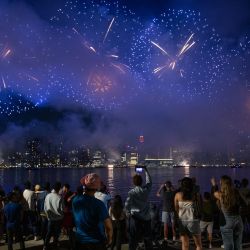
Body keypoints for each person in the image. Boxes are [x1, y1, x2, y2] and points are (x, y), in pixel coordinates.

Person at [72, 173, 112, 250]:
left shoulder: (75, 200)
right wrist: (109, 239)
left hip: (79, 241)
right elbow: (108, 227)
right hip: (96, 242)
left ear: (84, 186)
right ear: (97, 188)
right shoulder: (99, 204)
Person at [125, 166, 153, 250]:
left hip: (135, 218)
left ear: (134, 183)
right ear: (141, 182)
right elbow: (149, 182)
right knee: (147, 238)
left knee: (133, 238)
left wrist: (128, 212)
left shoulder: (131, 193)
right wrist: (146, 170)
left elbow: (127, 205)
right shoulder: (146, 190)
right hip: (146, 218)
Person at [213, 175, 244, 250]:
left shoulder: (220, 195)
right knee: (238, 246)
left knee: (228, 246)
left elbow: (214, 193)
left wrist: (214, 185)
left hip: (226, 223)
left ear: (222, 184)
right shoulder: (236, 192)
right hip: (238, 221)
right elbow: (244, 204)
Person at [174, 177, 202, 250]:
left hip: (182, 221)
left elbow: (176, 208)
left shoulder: (178, 195)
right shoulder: (196, 195)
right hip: (193, 220)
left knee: (185, 245)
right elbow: (199, 207)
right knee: (198, 245)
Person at [43, 182, 64, 250]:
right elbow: (62, 209)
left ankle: (45, 246)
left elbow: (45, 207)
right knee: (56, 234)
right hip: (58, 219)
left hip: (50, 218)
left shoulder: (48, 196)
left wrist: (47, 216)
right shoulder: (59, 197)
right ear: (59, 188)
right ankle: (55, 246)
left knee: (48, 233)